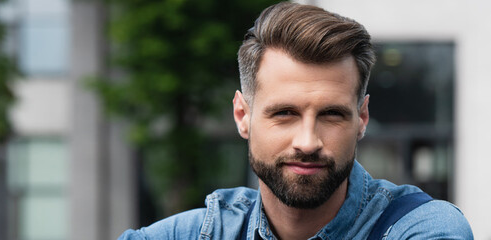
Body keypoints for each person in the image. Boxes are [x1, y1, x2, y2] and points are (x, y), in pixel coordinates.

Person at [118, 2, 473, 239]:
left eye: (331, 114)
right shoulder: (201, 232)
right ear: (243, 116)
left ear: (361, 118)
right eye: (284, 113)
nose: (307, 141)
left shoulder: (419, 227)